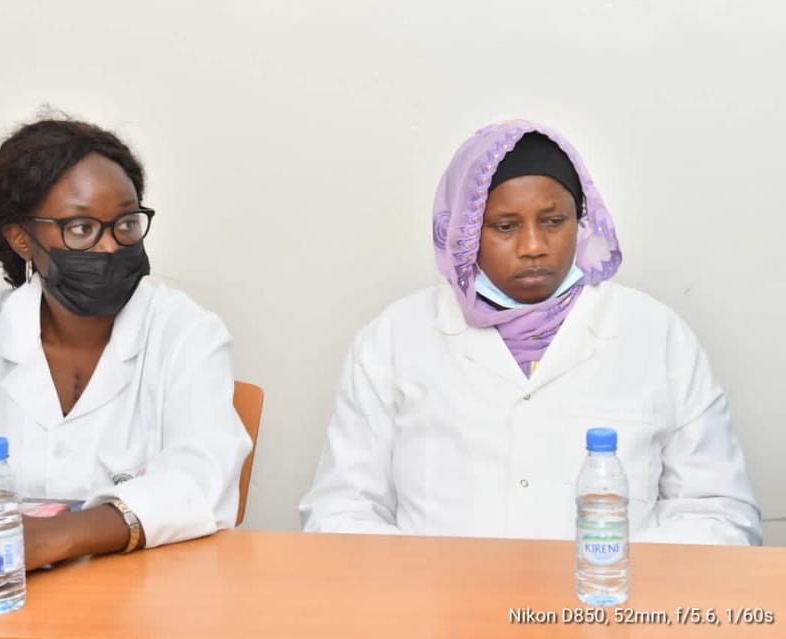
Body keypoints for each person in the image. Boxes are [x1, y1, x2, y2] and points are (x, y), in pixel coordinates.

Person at [299, 119, 761, 545]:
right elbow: (341, 509)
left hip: (609, 603)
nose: (534, 246)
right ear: (463, 231)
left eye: (554, 221)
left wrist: (612, 572)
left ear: (580, 220)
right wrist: (426, 585)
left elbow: (720, 514)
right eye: (505, 226)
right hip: (437, 603)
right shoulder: (393, 340)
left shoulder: (656, 334)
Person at [0, 117, 251, 585]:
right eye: (81, 228)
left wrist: (56, 536)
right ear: (22, 239)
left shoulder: (185, 333)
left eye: (125, 224)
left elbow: (202, 477)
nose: (109, 246)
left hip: (145, 601)